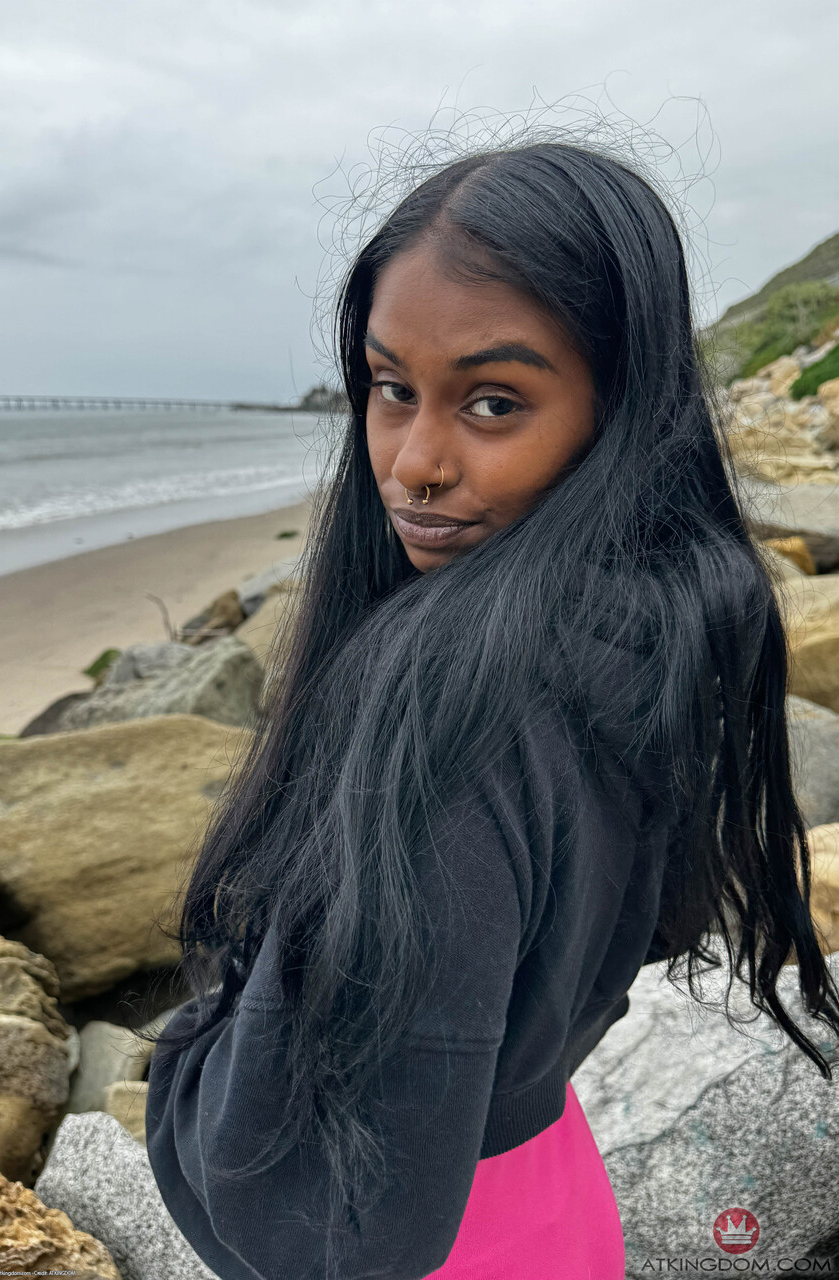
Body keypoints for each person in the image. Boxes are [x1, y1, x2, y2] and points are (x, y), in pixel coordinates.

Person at [139, 139, 839, 1280]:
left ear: (619, 410)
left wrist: (184, 1067)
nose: (414, 461)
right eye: (391, 388)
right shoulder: (659, 632)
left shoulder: (445, 707)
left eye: (494, 402)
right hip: (551, 1194)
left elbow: (339, 1217)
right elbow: (635, 935)